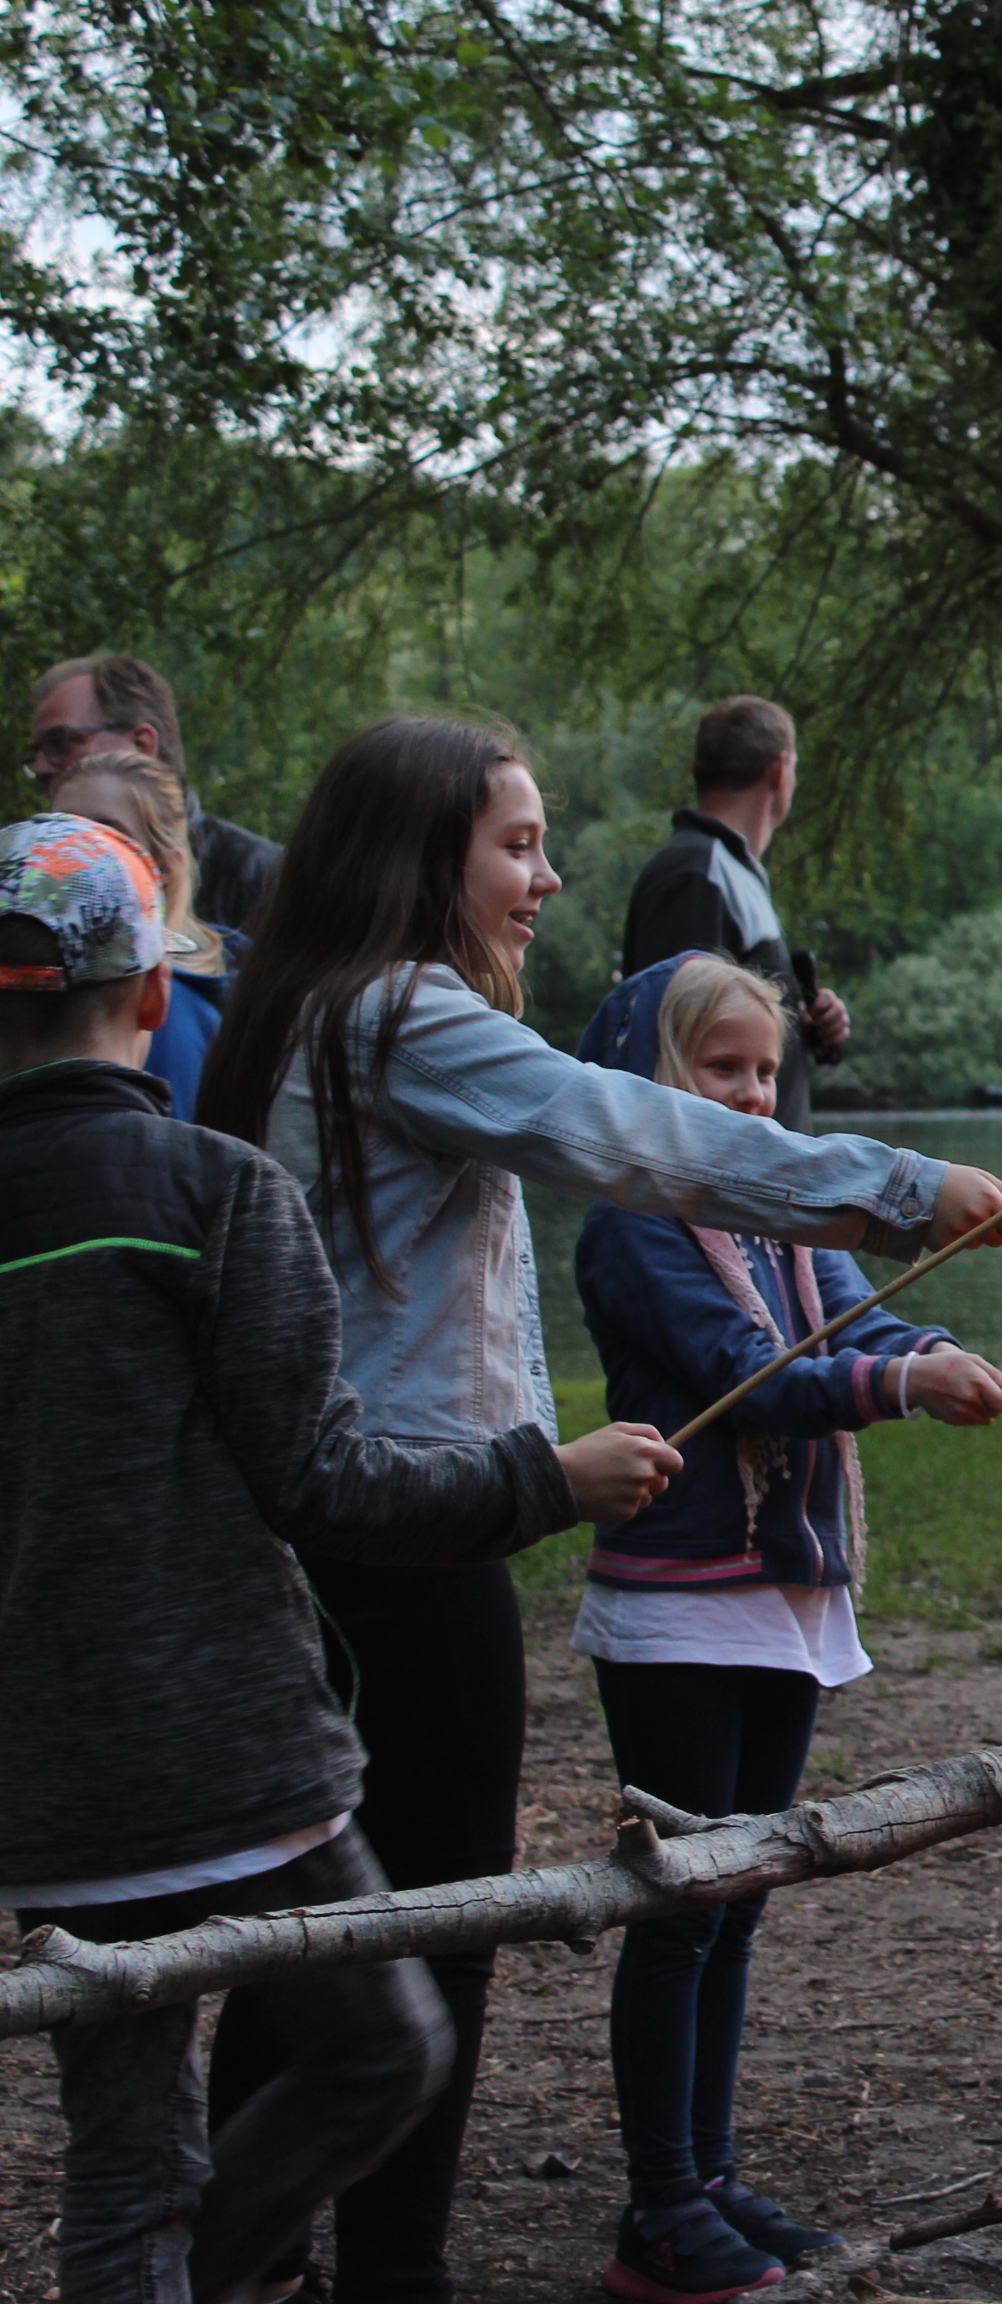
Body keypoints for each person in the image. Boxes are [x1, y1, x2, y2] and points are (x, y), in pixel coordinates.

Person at [193, 716, 1002, 2304]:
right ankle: (374, 2278)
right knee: (431, 1924)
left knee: (327, 1927)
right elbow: (629, 1131)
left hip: (348, 1530)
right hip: (404, 1540)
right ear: (418, 857)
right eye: (516, 845)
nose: (549, 877)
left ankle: (269, 2267)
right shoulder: (396, 1014)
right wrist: (900, 1186)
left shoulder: (308, 1009)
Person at [0, 812, 681, 2304]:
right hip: (233, 1756)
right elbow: (327, 1484)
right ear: (156, 994)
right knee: (383, 2049)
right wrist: (546, 1480)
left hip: (44, 1781)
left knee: (125, 2146)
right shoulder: (212, 1192)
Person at [569, 954, 1002, 2301]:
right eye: (722, 1070)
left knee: (739, 1903)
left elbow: (859, 1320)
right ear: (651, 1082)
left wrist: (930, 1350)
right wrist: (899, 1387)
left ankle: (708, 2179)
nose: (754, 1095)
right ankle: (658, 2209)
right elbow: (751, 1375)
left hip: (783, 1597)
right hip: (680, 1611)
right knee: (680, 1911)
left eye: (767, 1071)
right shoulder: (637, 1224)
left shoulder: (784, 1220)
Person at [620, 698, 850, 1132]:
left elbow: (723, 1025)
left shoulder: (729, 871)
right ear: (780, 770)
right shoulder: (697, 872)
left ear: (697, 771)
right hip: (720, 1169)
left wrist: (796, 1023)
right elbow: (675, 1035)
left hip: (760, 1163)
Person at [51, 749, 244, 1118]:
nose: (75, 853)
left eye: (108, 836)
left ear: (165, 866)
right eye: (60, 832)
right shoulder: (36, 984)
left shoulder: (168, 1008)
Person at [29, 652, 280, 936]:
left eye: (59, 743)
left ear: (141, 744)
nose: (40, 767)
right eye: (35, 752)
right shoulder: (29, 878)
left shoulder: (257, 876)